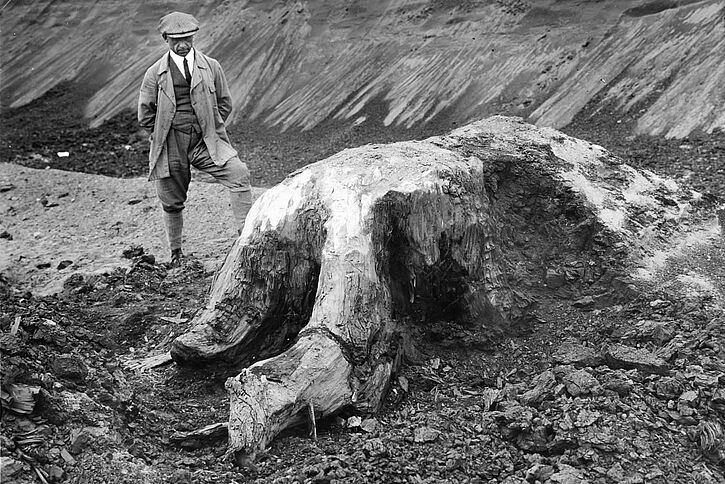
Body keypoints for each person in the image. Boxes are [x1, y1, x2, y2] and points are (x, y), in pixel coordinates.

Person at [138, 11, 252, 267]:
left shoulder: (211, 66)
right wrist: (164, 136)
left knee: (238, 173)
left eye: (187, 38)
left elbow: (224, 103)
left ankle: (246, 239)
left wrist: (208, 126)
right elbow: (145, 114)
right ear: (165, 39)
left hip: (206, 142)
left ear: (193, 37)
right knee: (171, 200)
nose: (182, 45)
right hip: (171, 144)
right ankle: (176, 253)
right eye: (176, 40)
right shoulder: (154, 74)